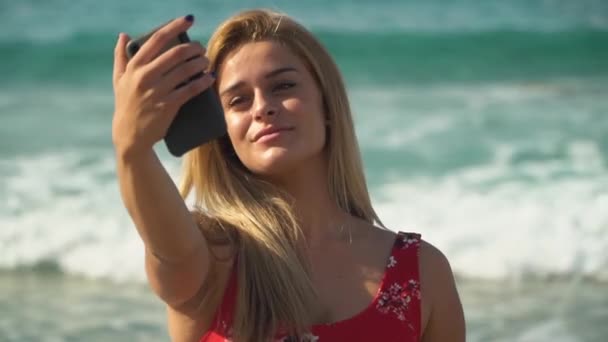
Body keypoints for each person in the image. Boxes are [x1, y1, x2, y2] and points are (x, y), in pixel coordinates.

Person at [112, 9, 465, 342]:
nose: (263, 107)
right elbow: (168, 251)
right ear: (223, 134)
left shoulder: (420, 272)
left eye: (282, 86)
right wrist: (133, 148)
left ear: (326, 104)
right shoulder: (212, 258)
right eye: (238, 101)